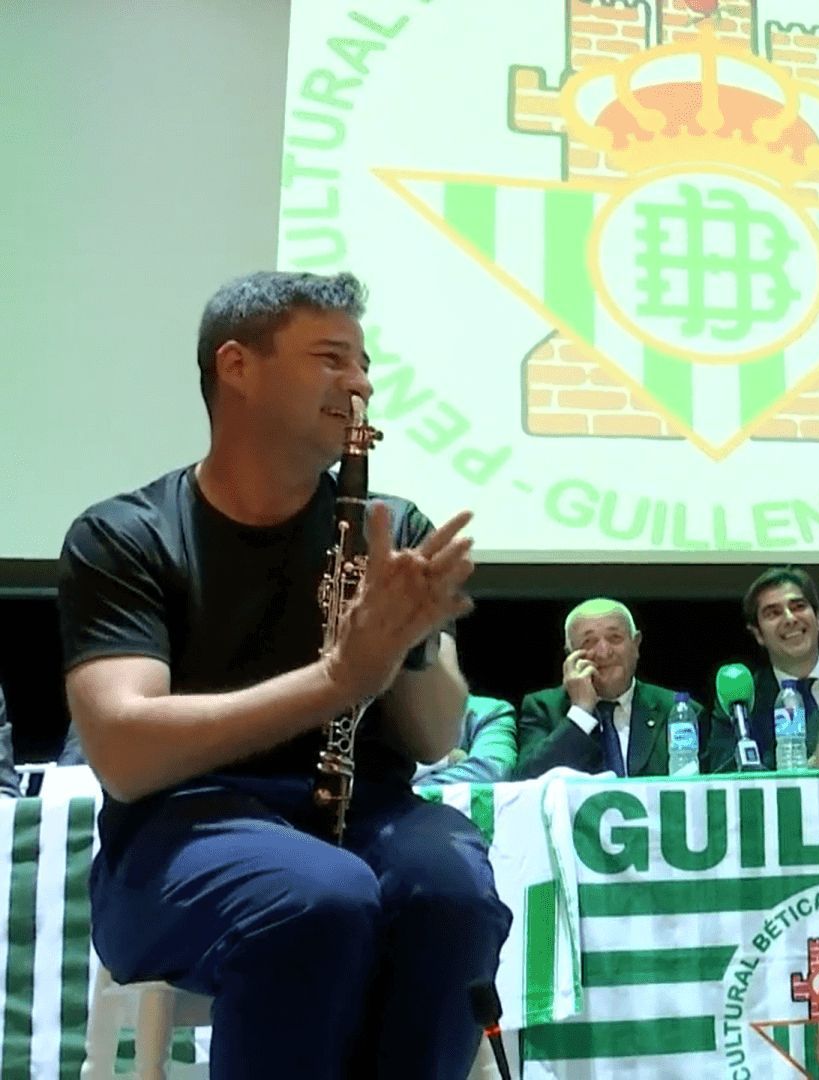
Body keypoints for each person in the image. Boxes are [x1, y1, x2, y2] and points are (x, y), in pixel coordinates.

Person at [55, 270, 512, 1079]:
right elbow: (124, 752)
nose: (362, 383)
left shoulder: (386, 526)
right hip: (177, 836)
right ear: (237, 366)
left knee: (451, 891)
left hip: (363, 816)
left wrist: (407, 642)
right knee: (317, 895)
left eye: (365, 363)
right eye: (333, 358)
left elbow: (437, 736)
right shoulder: (127, 536)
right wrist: (339, 677)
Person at [515, 598, 732, 779]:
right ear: (569, 653)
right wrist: (580, 712)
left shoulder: (678, 710)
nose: (603, 652)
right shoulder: (543, 708)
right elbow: (525, 783)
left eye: (615, 638)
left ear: (636, 644)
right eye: (588, 642)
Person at [732, 566, 819, 766]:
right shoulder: (743, 703)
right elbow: (726, 776)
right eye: (773, 613)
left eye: (798, 606)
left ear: (817, 618)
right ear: (758, 634)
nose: (790, 618)